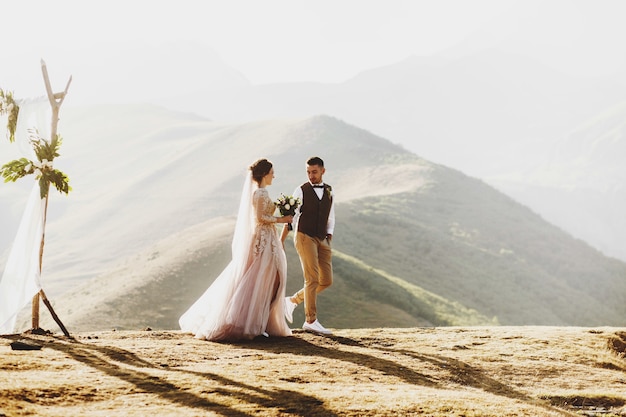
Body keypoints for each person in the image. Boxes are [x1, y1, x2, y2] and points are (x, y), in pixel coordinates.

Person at [179, 158, 293, 341]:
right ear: (265, 174)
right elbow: (260, 218)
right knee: (261, 279)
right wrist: (282, 220)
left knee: (271, 279)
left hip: (268, 237)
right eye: (272, 172)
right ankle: (253, 322)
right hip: (263, 240)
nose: (274, 175)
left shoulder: (263, 193)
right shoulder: (260, 194)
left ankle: (261, 321)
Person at [281, 156, 335, 335]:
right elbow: (292, 216)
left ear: (323, 171)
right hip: (304, 236)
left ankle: (292, 301)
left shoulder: (329, 190)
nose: (311, 176)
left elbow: (330, 213)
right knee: (312, 279)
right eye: (308, 172)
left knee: (326, 280)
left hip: (322, 238)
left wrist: (329, 234)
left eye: (314, 172)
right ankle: (310, 320)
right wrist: (282, 240)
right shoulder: (301, 190)